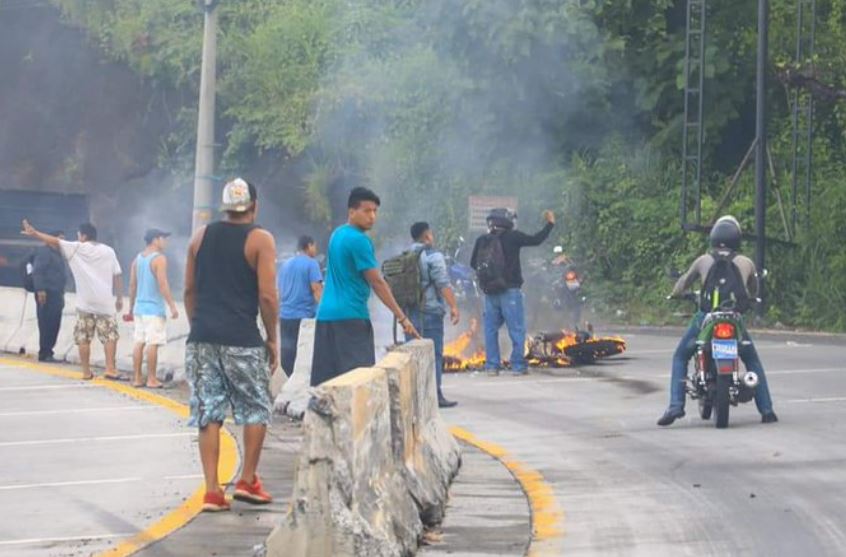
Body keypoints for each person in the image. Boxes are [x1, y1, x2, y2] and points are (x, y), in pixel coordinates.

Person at [184, 178, 279, 512]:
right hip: (242, 338)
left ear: (223, 207)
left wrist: (198, 325)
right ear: (254, 206)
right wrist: (272, 338)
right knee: (255, 407)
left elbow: (189, 292)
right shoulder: (260, 239)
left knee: (208, 412)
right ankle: (248, 479)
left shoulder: (199, 237)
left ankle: (212, 491)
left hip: (201, 340)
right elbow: (267, 296)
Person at [658, 215, 778, 426]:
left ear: (713, 237)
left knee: (680, 356)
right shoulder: (746, 262)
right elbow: (754, 290)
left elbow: (683, 283)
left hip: (706, 317)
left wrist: (676, 293)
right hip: (734, 319)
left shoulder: (704, 260)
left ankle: (676, 405)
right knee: (751, 359)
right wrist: (750, 299)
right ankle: (767, 410)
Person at [311, 187, 420, 387]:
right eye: (367, 211)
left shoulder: (337, 234)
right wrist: (402, 317)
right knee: (358, 385)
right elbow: (377, 282)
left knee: (328, 386)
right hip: (351, 318)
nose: (372, 217)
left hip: (326, 317)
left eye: (375, 211)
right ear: (351, 211)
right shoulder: (359, 240)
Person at [22, 221, 124, 380]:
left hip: (85, 303)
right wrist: (118, 297)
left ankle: (85, 371)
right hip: (105, 301)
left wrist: (35, 233)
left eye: (78, 235)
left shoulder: (77, 248)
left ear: (83, 236)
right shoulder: (109, 251)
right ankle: (110, 369)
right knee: (110, 336)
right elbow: (117, 275)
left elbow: (54, 241)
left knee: (84, 337)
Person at [470, 208, 555, 374]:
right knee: (516, 329)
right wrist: (550, 224)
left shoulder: (482, 240)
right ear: (506, 221)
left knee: (490, 330)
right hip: (510, 291)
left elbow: (474, 263)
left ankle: (492, 366)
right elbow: (536, 239)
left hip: (489, 292)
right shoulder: (513, 236)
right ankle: (517, 366)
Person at [403, 222, 460, 408]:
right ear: (427, 236)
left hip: (409, 313)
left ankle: (414, 398)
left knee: (413, 355)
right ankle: (435, 395)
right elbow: (443, 283)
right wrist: (453, 307)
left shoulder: (405, 256)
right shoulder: (433, 256)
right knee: (434, 355)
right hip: (430, 312)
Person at [126, 229, 179, 388]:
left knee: (139, 342)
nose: (165, 242)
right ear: (155, 240)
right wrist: (172, 306)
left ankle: (136, 378)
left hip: (139, 309)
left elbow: (132, 285)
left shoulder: (138, 259)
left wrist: (131, 307)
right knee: (152, 343)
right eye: (164, 238)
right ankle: (151, 379)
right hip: (154, 309)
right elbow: (163, 284)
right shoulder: (159, 259)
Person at [277, 235, 323, 376]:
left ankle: (288, 390)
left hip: (285, 318)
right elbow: (317, 290)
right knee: (307, 361)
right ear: (309, 246)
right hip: (304, 319)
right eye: (314, 246)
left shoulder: (285, 265)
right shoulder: (312, 264)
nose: (315, 249)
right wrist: (324, 315)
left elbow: (278, 292)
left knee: (288, 358)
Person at [32, 230, 67, 363]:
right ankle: (44, 352)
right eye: (59, 239)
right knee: (46, 323)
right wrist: (40, 290)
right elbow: (38, 271)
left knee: (54, 323)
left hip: (57, 293)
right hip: (47, 293)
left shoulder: (59, 254)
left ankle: (49, 351)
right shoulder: (45, 252)